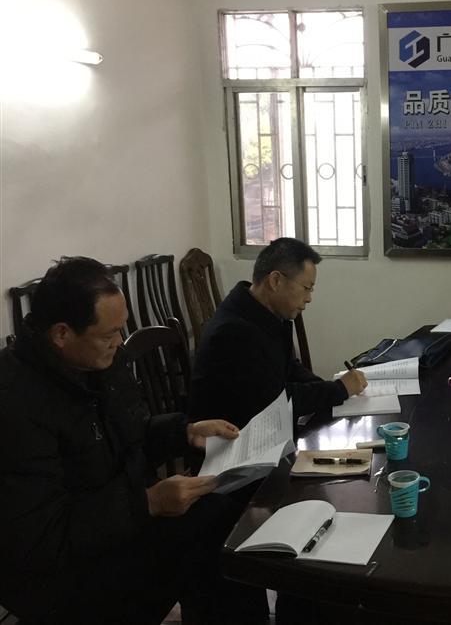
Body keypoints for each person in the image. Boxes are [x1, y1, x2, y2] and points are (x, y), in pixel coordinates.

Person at [0, 257, 259, 625]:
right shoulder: (16, 402)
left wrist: (184, 432)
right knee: (210, 540)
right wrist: (148, 502)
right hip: (60, 576)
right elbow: (42, 537)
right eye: (109, 335)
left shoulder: (99, 363)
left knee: (227, 517)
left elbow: (129, 434)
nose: (120, 343)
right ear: (61, 334)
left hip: (120, 525)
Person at [190, 238, 366, 430]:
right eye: (306, 288)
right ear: (275, 281)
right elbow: (275, 402)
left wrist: (329, 387)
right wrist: (339, 389)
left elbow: (290, 367)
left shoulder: (260, 311)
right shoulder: (233, 331)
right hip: (234, 441)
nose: (309, 298)